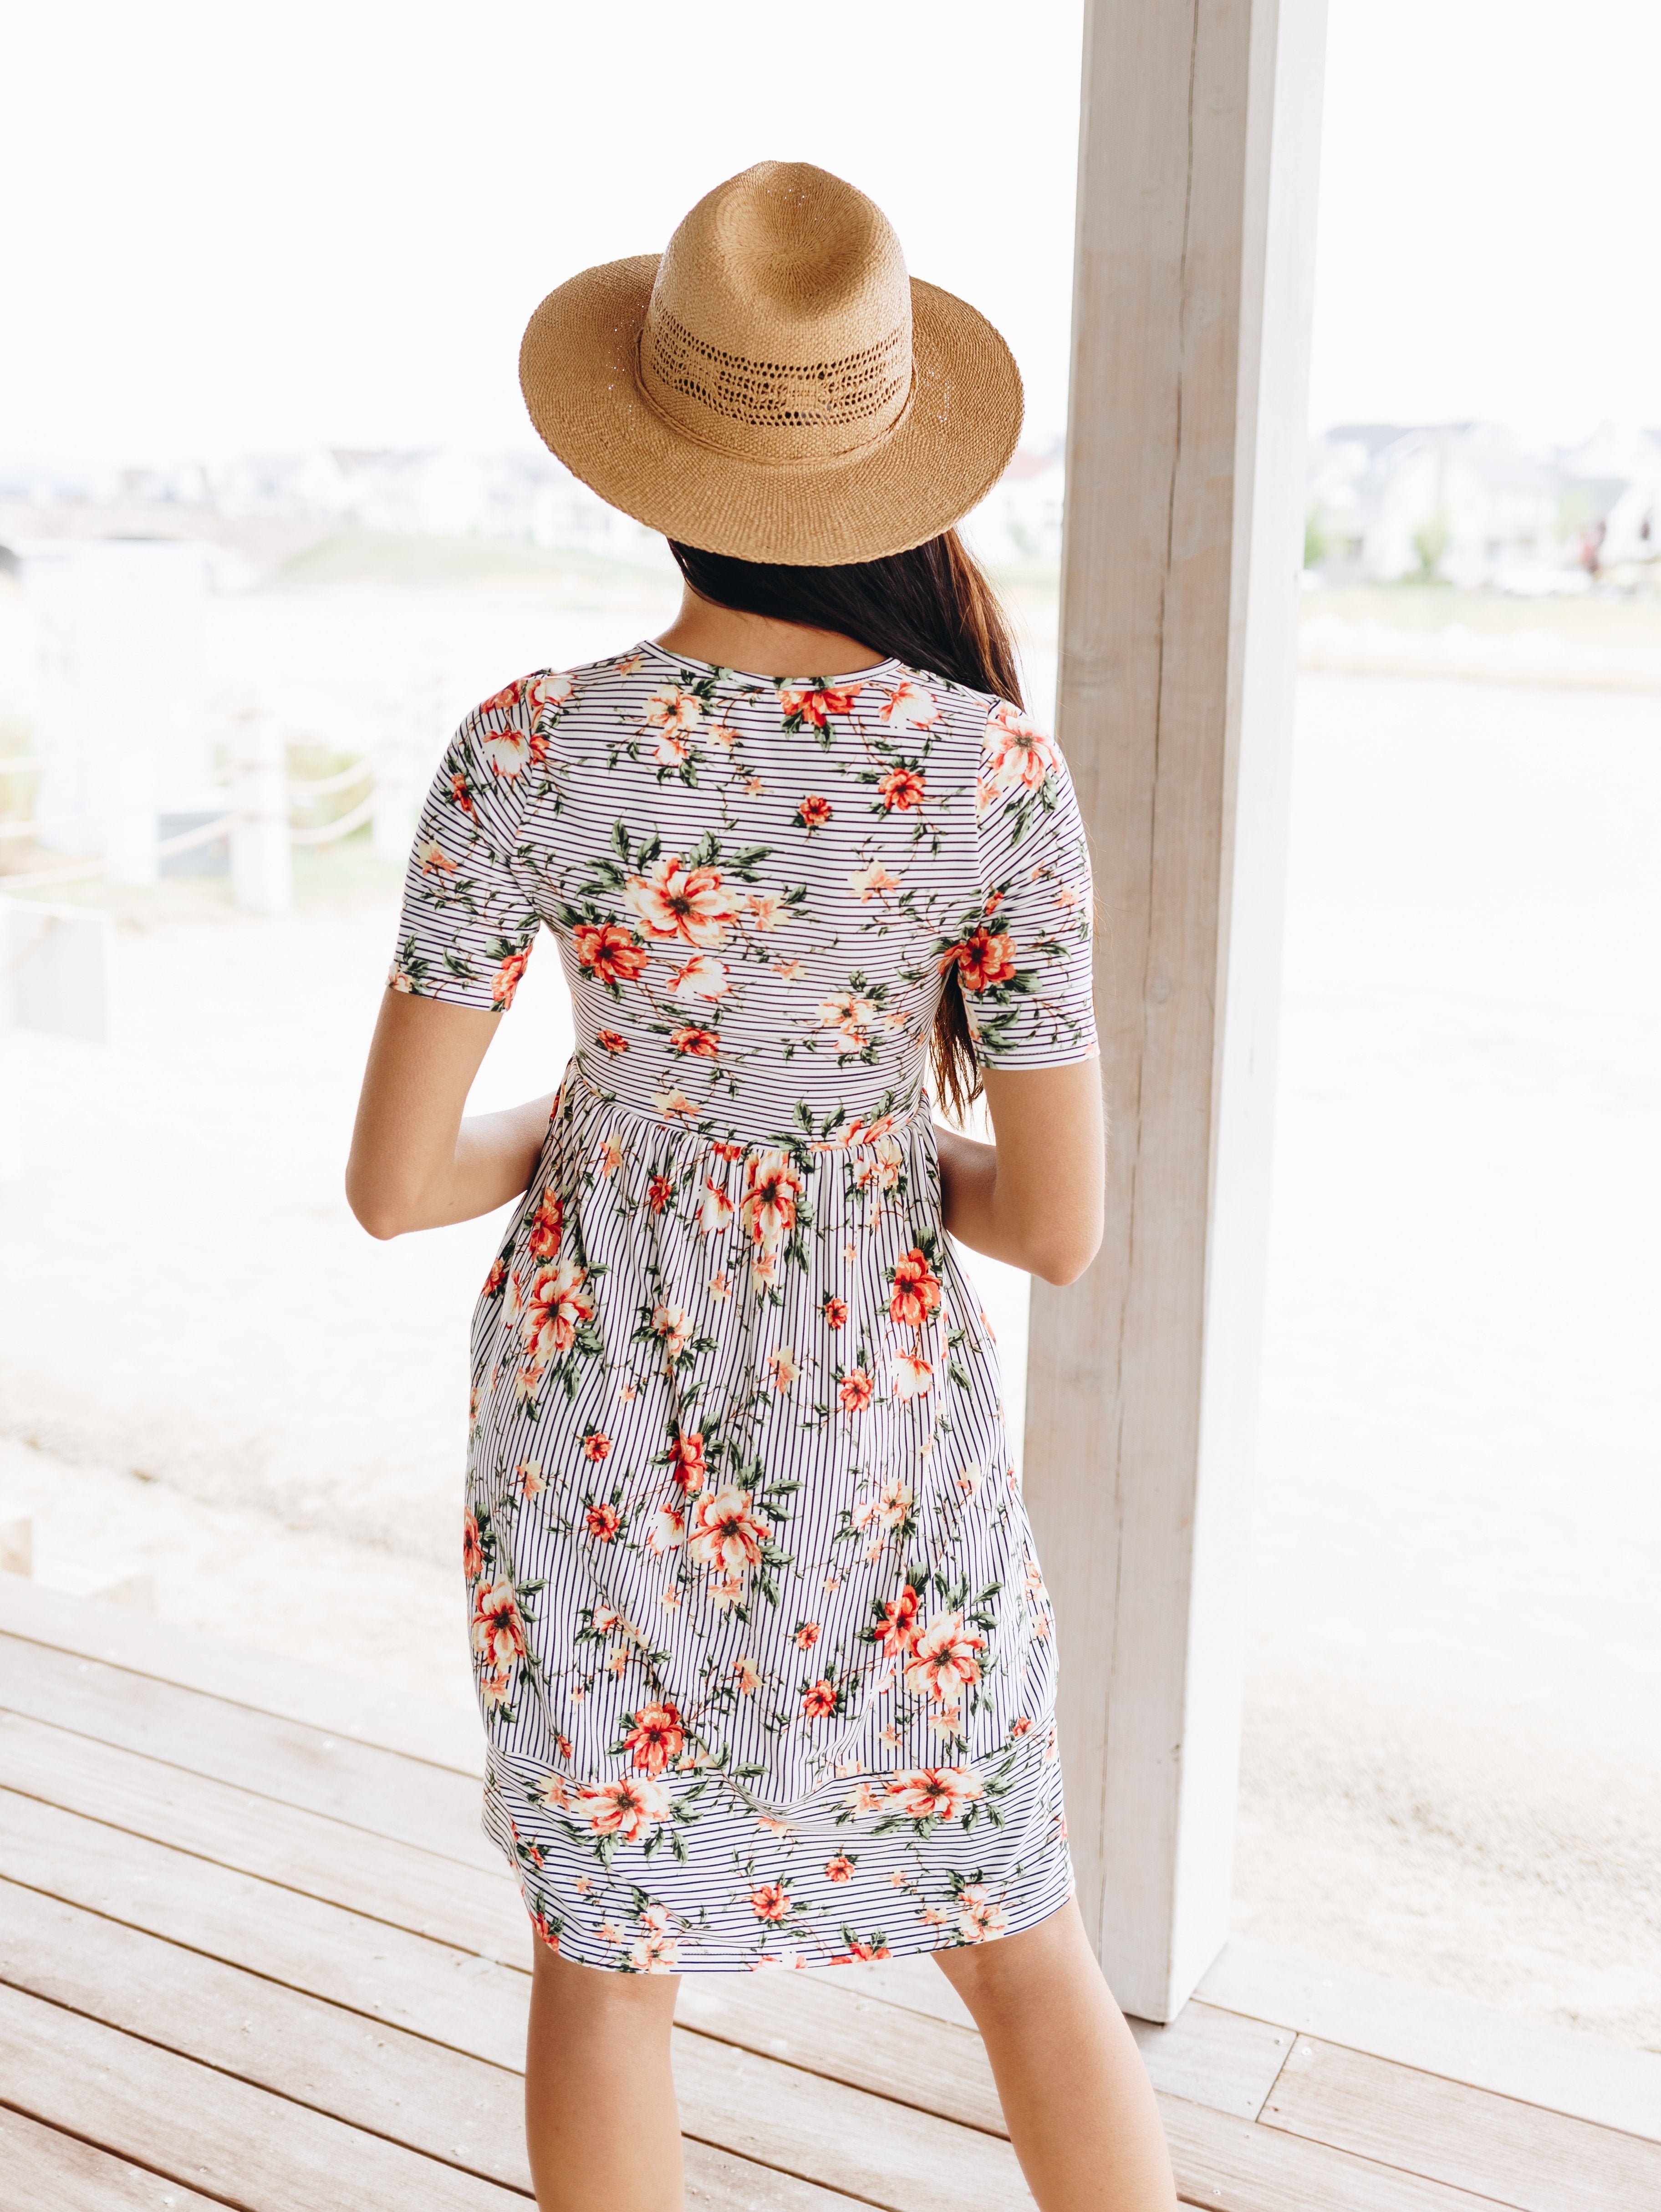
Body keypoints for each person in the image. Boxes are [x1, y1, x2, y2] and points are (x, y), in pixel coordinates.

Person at [347, 161, 1175, 2212]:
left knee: (608, 1947)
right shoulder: (991, 772)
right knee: (1017, 1929)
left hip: (593, 1416)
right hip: (883, 1432)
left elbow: (395, 1185)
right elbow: (1055, 1226)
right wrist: (858, 1150)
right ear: (891, 462)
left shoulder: (527, 748)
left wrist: (604, 1117)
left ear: (653, 453)